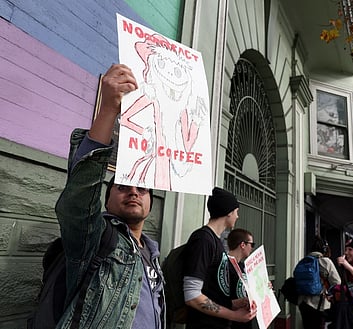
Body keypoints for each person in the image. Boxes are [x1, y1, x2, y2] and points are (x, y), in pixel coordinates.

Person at [54, 64, 165, 328]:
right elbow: (78, 199)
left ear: (150, 200)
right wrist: (108, 110)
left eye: (141, 188)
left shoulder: (153, 253)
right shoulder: (95, 237)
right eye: (123, 186)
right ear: (106, 199)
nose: (134, 192)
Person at [183, 187, 256, 329]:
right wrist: (234, 315)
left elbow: (211, 291)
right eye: (236, 211)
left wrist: (235, 303)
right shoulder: (203, 239)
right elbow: (192, 295)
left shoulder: (216, 241)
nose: (237, 216)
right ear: (229, 213)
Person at [297, 236, 341, 329]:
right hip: (318, 305)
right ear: (324, 249)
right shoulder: (326, 261)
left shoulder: (303, 261)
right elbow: (337, 283)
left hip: (303, 303)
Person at [227, 228, 256, 329]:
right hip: (231, 322)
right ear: (243, 245)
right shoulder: (224, 265)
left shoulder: (245, 266)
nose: (252, 248)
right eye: (251, 244)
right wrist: (235, 303)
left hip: (246, 320)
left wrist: (264, 286)